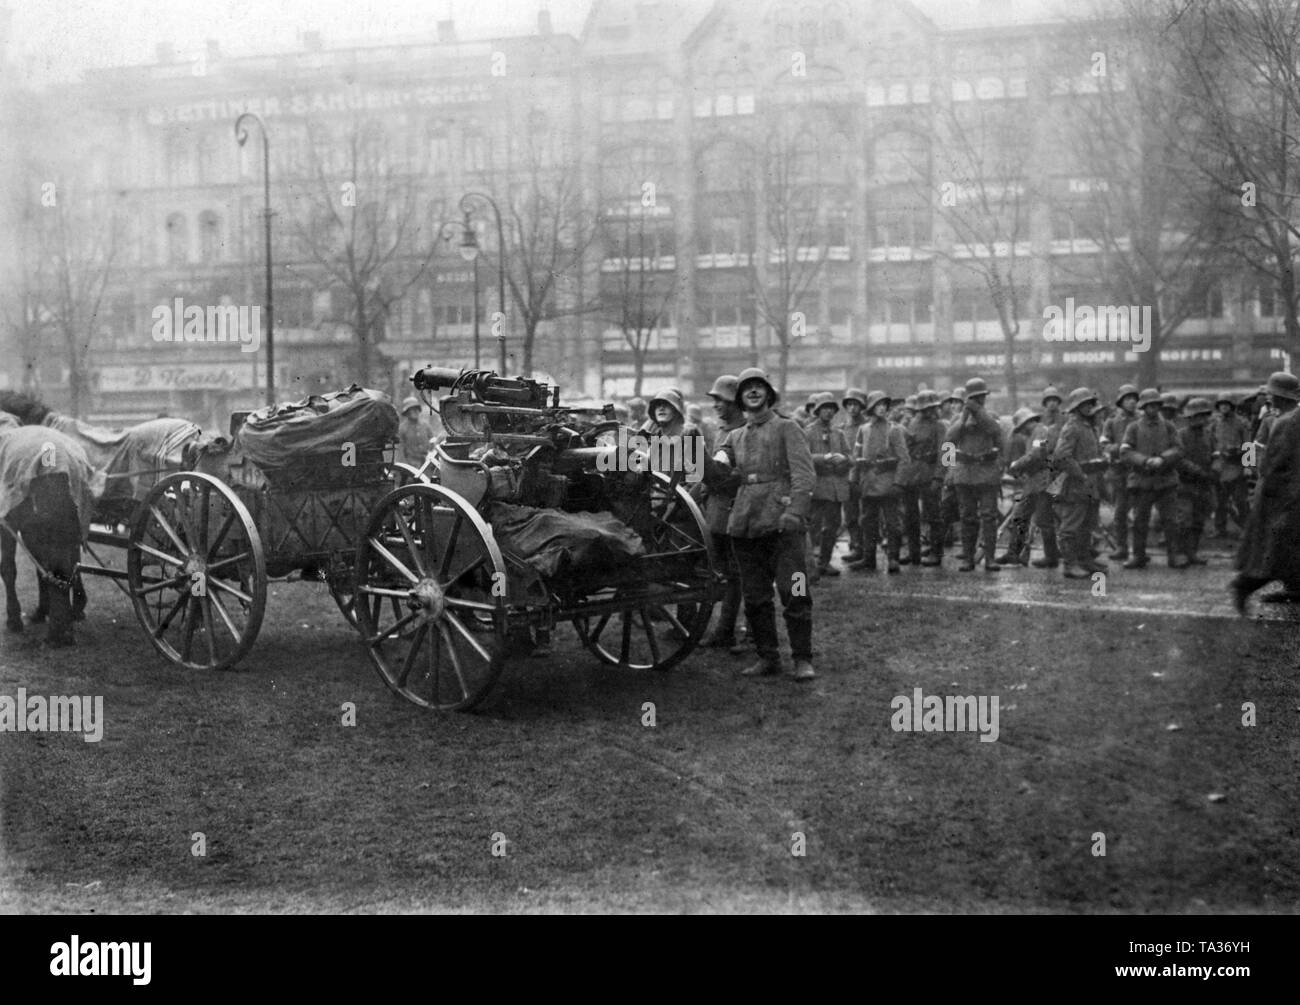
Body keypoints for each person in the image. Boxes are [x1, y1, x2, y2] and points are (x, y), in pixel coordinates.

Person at [716, 368, 817, 680]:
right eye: (748, 388)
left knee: (794, 591)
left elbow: (804, 475)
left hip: (782, 522)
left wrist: (794, 513)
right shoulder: (733, 437)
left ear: (769, 394)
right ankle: (767, 657)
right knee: (756, 596)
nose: (754, 392)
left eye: (760, 387)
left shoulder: (788, 428)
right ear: (741, 399)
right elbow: (718, 471)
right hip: (746, 524)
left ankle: (802, 658)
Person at [1233, 371, 1300, 611]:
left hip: (1282, 486)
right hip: (1277, 487)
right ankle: (1248, 584)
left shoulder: (1283, 419)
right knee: (1275, 543)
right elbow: (1255, 444)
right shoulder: (1269, 419)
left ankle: (1294, 586)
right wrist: (1248, 466)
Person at [699, 375, 745, 650]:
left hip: (735, 511)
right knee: (727, 574)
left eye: (720, 400)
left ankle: (734, 631)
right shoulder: (722, 429)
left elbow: (727, 476)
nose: (715, 404)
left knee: (738, 575)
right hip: (717, 510)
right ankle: (724, 630)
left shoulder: (742, 430)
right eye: (714, 400)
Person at [944, 377, 1006, 572]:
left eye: (981, 397)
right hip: (964, 473)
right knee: (967, 516)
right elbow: (949, 441)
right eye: (975, 398)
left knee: (989, 517)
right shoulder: (958, 419)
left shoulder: (991, 416)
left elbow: (995, 430)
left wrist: (978, 412)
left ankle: (989, 558)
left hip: (987, 472)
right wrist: (964, 417)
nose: (979, 400)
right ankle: (968, 558)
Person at [1119, 387, 1185, 569]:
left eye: (1156, 405)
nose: (1153, 409)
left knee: (1171, 521)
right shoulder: (1133, 427)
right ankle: (1138, 556)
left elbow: (1179, 449)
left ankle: (1174, 556)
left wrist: (1163, 459)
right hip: (1143, 480)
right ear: (1143, 407)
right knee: (1140, 521)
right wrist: (1145, 460)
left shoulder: (1169, 426)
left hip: (1166, 480)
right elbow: (1124, 452)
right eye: (1149, 405)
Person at [849, 391, 909, 574]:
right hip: (868, 482)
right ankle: (868, 559)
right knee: (867, 522)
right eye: (878, 405)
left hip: (888, 482)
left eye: (884, 404)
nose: (882, 408)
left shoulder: (894, 429)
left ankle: (893, 558)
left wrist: (898, 483)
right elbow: (856, 456)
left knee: (892, 523)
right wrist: (853, 479)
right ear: (871, 408)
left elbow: (904, 459)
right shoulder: (864, 429)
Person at [1051, 388, 1109, 579]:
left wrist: (1102, 459)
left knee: (1088, 525)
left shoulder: (1090, 427)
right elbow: (1061, 457)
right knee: (1071, 526)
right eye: (1085, 404)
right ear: (1077, 407)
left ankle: (1084, 560)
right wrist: (1080, 473)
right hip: (1076, 484)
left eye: (1091, 403)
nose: (1089, 407)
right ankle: (1070, 564)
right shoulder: (1072, 427)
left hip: (1091, 484)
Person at [803, 392, 852, 578]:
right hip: (817, 485)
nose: (829, 412)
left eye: (832, 409)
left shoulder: (838, 433)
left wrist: (844, 459)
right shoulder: (807, 432)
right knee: (813, 527)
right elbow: (803, 457)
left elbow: (851, 456)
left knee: (832, 526)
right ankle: (808, 565)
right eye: (825, 408)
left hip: (836, 487)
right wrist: (824, 458)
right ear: (818, 411)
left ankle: (824, 562)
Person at [897, 389, 945, 567]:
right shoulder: (911, 424)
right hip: (911, 474)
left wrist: (940, 477)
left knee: (933, 516)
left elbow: (948, 452)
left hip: (930, 474)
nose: (931, 411)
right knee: (910, 516)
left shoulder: (940, 426)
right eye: (927, 408)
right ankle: (913, 552)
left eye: (933, 407)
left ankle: (935, 553)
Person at [998, 406, 1044, 567]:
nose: (1022, 432)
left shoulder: (1040, 433)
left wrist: (1017, 464)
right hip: (1035, 482)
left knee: (1040, 520)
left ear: (1026, 423)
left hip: (1042, 482)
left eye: (1022, 428)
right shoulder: (1033, 435)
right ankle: (1014, 553)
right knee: (1022, 516)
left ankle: (1049, 556)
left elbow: (1036, 455)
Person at [1175, 397, 1216, 566]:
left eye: (1205, 416)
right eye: (1200, 416)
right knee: (1184, 519)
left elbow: (1216, 453)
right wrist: (1197, 471)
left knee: (1199, 519)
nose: (1204, 419)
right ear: (1191, 417)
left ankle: (1192, 552)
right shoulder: (1180, 435)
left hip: (1204, 484)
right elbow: (1178, 458)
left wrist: (1215, 469)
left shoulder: (1208, 434)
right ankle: (1179, 553)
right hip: (1185, 483)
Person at [1102, 384, 1140, 560]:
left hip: (1140, 470)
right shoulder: (1111, 422)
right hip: (1119, 471)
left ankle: (1140, 550)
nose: (1132, 402)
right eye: (1128, 399)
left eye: (1134, 399)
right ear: (1121, 401)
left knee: (1141, 512)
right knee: (1120, 512)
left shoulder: (1142, 419)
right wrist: (1120, 449)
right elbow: (1104, 445)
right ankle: (1122, 547)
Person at [1211, 392, 1249, 538]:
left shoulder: (1242, 422)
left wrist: (1248, 466)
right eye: (1221, 405)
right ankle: (1219, 528)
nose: (1224, 407)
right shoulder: (1215, 423)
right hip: (1220, 466)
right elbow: (1211, 440)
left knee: (1241, 500)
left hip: (1237, 465)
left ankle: (1246, 529)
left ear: (1232, 406)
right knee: (1220, 501)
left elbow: (1249, 445)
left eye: (1227, 405)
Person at [839, 388, 869, 563]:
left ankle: (865, 548)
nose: (852, 408)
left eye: (856, 404)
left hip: (864, 476)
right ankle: (856, 546)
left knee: (865, 514)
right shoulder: (842, 428)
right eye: (849, 404)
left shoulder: (866, 427)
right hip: (846, 477)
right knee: (850, 514)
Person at [398, 396, 435, 468]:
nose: (415, 411)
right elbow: (400, 450)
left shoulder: (426, 426)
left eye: (416, 409)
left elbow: (433, 442)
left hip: (427, 462)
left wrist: (431, 454)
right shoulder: (402, 428)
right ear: (407, 412)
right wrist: (406, 466)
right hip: (411, 464)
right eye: (412, 409)